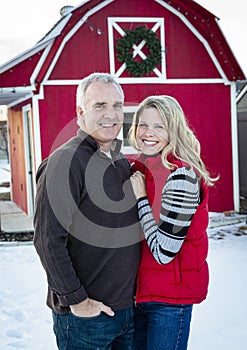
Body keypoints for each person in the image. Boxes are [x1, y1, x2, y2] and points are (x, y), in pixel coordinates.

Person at [33, 72, 141, 350]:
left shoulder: (120, 163)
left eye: (117, 105)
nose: (111, 114)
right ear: (80, 112)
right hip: (87, 320)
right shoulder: (65, 161)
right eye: (100, 105)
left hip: (127, 312)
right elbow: (47, 240)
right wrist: (77, 301)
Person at [129, 95, 218, 350]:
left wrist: (141, 200)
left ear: (174, 130)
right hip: (141, 295)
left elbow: (164, 251)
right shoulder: (142, 168)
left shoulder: (181, 177)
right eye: (143, 125)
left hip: (169, 303)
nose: (148, 133)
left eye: (159, 126)